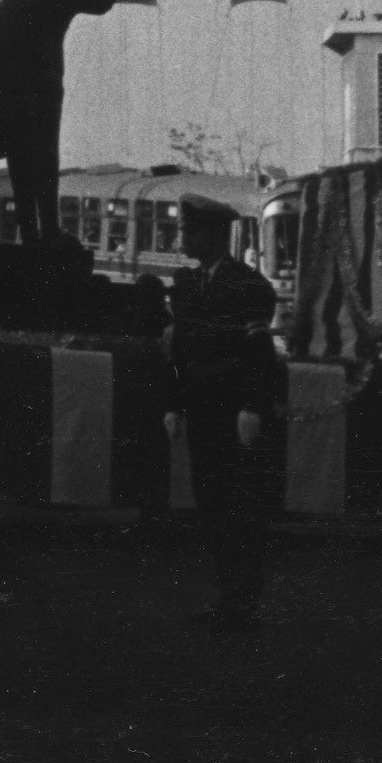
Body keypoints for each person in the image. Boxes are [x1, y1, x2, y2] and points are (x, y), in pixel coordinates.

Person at [163, 197, 284, 629]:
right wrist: (174, 402)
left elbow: (259, 352)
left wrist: (253, 405)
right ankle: (230, 598)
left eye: (189, 231)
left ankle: (241, 601)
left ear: (213, 235)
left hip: (233, 411)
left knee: (237, 507)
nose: (182, 239)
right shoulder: (187, 284)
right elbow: (180, 350)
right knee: (212, 504)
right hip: (201, 408)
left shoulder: (248, 286)